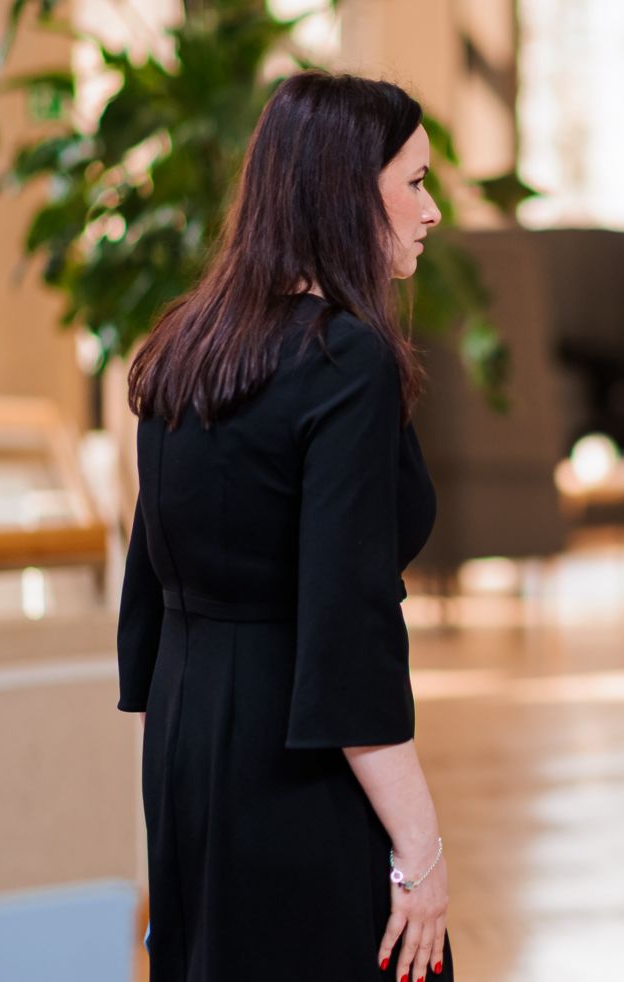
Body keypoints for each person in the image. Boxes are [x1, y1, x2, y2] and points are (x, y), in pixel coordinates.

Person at [116, 71, 450, 982]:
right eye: (415, 183)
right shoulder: (346, 360)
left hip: (187, 746)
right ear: (347, 192)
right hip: (300, 763)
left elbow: (155, 575)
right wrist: (421, 854)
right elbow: (346, 631)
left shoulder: (184, 342)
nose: (431, 211)